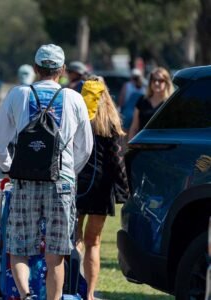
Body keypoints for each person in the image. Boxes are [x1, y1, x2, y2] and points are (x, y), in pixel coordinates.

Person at [0, 44, 93, 300]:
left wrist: (9, 168)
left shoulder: (18, 95)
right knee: (56, 254)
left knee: (19, 247)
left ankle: (26, 296)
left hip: (25, 181)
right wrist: (70, 172)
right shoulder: (74, 99)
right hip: (62, 183)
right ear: (63, 70)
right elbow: (85, 147)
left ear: (36, 68)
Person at [76, 76, 129, 300]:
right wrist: (125, 189)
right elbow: (117, 160)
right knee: (94, 242)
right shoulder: (110, 122)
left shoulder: (77, 118)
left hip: (78, 182)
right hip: (101, 186)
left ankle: (70, 287)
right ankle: (89, 294)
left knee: (74, 238)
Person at [127, 67, 173, 140]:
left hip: (163, 147)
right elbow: (134, 127)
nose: (156, 83)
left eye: (160, 80)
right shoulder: (142, 100)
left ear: (166, 83)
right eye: (154, 80)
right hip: (142, 145)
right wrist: (130, 146)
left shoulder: (170, 103)